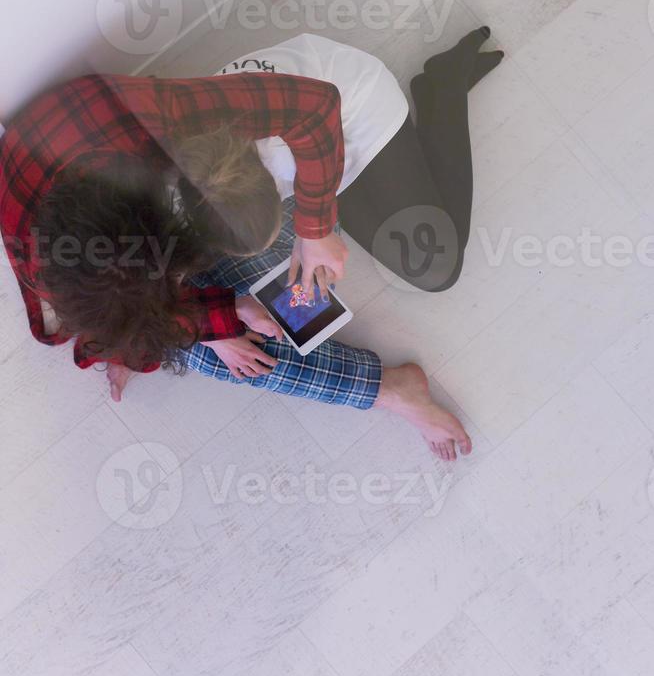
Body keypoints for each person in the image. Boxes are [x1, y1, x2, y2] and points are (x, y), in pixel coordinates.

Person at [0, 28, 502, 460]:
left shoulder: (176, 126)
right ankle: (387, 389)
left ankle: (441, 89)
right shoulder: (43, 258)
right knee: (213, 352)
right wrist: (179, 331)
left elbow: (316, 103)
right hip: (238, 185)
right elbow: (114, 307)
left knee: (437, 266)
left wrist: (315, 225)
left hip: (349, 119)